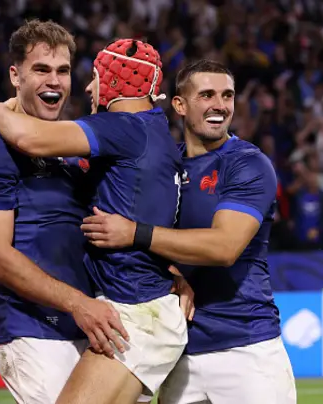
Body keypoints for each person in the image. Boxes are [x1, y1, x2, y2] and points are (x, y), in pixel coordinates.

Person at [80, 59, 297, 404]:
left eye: (227, 95)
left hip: (246, 350)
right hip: (179, 353)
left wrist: (136, 232)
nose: (220, 105)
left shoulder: (247, 163)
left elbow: (224, 247)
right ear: (179, 104)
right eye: (207, 95)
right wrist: (172, 273)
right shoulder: (165, 165)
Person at [0, 38, 187, 404]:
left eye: (94, 77)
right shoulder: (157, 133)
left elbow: (27, 138)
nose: (88, 87)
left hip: (135, 315)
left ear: (114, 80)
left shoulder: (123, 127)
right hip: (149, 311)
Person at [0, 20, 128, 404]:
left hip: (90, 326)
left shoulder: (75, 146)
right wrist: (77, 304)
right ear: (15, 76)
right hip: (33, 330)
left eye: (63, 71)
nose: (54, 81)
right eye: (41, 69)